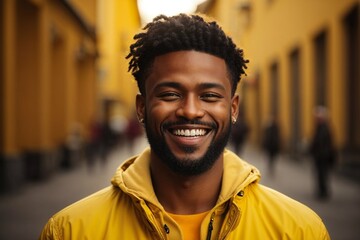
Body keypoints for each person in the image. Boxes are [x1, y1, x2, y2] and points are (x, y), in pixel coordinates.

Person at [39, 14, 330, 239]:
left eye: (210, 96)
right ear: (142, 107)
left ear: (233, 108)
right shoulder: (70, 231)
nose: (190, 110)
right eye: (170, 94)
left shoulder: (299, 230)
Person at [309, 106, 335, 200]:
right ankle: (322, 191)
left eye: (317, 117)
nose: (315, 119)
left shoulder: (323, 128)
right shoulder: (321, 127)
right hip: (320, 156)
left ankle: (323, 192)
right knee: (321, 174)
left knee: (322, 174)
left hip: (322, 156)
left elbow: (322, 143)